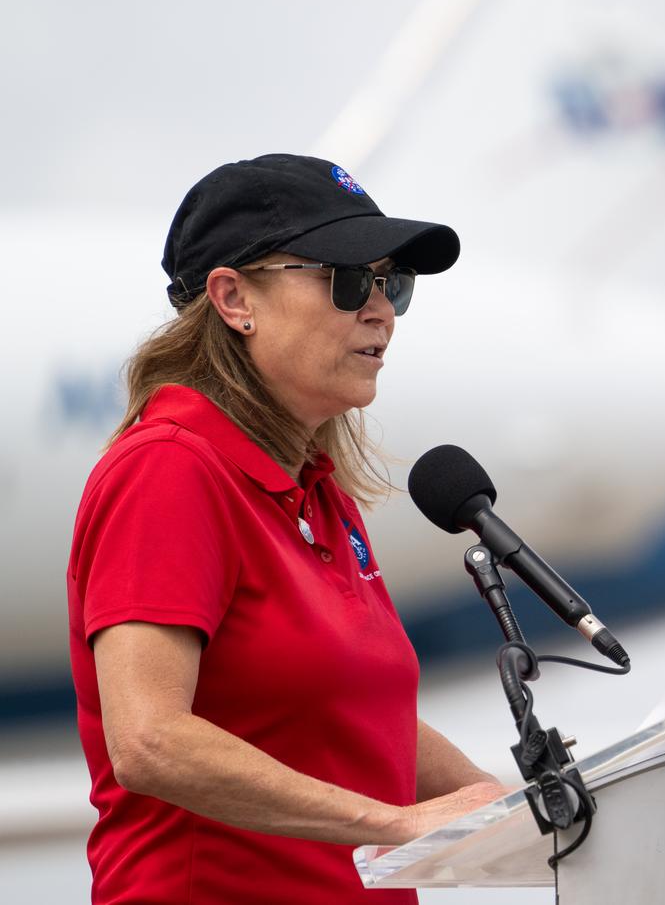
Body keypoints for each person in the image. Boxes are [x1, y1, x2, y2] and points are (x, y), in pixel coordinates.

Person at [66, 154, 508, 903]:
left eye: (393, 283)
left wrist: (505, 805)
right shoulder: (168, 468)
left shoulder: (315, 489)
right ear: (234, 298)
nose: (382, 310)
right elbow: (149, 739)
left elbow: (358, 716)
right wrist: (395, 823)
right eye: (349, 280)